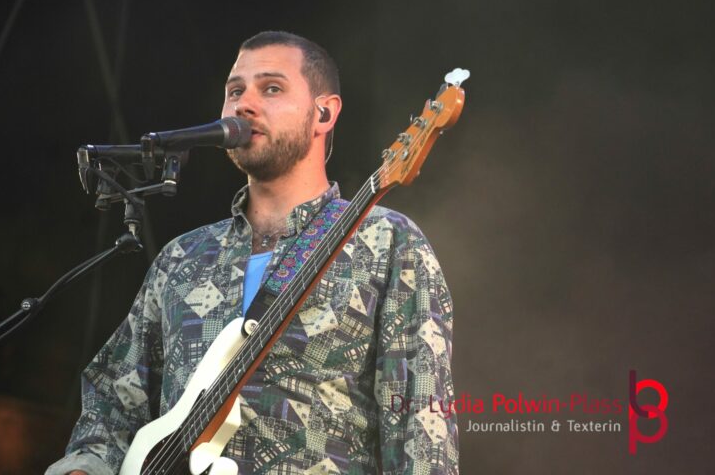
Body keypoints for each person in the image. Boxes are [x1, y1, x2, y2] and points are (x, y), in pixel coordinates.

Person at [47, 31, 458, 475]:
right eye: (234, 91)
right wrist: (84, 467)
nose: (244, 104)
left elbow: (421, 428)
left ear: (324, 112)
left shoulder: (387, 243)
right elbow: (112, 402)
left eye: (272, 88)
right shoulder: (182, 259)